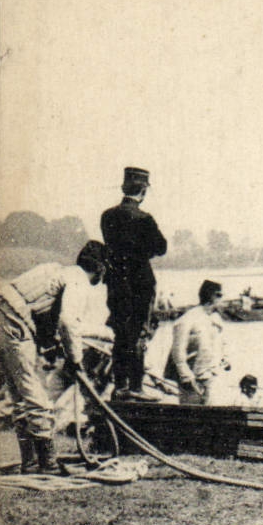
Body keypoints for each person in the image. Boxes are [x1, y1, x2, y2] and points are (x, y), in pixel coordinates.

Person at [0, 242, 107, 473]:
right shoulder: (79, 281)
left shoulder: (55, 269)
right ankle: (47, 463)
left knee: (19, 396)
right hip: (14, 324)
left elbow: (38, 308)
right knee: (35, 394)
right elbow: (68, 322)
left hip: (2, 316)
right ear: (100, 268)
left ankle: (31, 461)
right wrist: (76, 359)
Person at [100, 166, 167, 399]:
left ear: (123, 188)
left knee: (120, 333)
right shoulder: (144, 219)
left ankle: (120, 386)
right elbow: (161, 247)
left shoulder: (107, 216)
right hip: (140, 284)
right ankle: (136, 388)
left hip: (116, 283)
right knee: (139, 333)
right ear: (144, 191)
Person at [165, 279, 232, 404]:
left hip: (212, 377)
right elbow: (178, 351)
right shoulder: (188, 319)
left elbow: (222, 342)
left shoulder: (216, 319)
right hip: (192, 380)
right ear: (213, 296)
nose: (223, 300)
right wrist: (186, 376)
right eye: (221, 296)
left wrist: (225, 359)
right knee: (193, 416)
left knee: (213, 415)